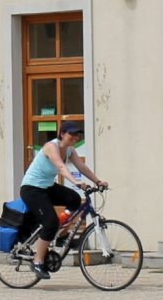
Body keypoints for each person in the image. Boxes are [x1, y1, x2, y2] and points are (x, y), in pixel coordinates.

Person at [19, 121, 106, 282]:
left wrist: (98, 181)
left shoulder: (69, 150)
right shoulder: (50, 147)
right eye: (71, 134)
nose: (75, 137)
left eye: (77, 135)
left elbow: (82, 167)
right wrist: (76, 182)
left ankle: (61, 235)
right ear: (62, 134)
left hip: (47, 187)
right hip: (31, 189)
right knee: (50, 222)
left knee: (74, 199)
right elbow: (60, 167)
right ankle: (38, 262)